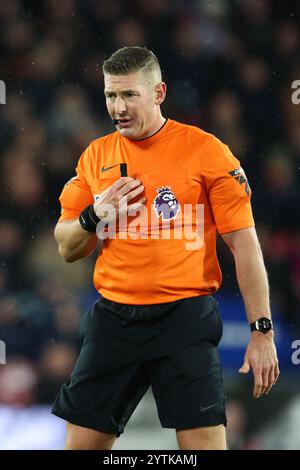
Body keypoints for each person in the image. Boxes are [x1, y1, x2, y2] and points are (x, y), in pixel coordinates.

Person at [52, 46, 279, 450]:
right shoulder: (95, 156)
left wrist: (262, 331)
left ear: (158, 93)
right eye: (110, 95)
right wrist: (95, 214)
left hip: (184, 317)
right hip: (114, 320)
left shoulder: (207, 152)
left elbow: (244, 246)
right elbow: (67, 247)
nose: (117, 107)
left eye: (128, 95)